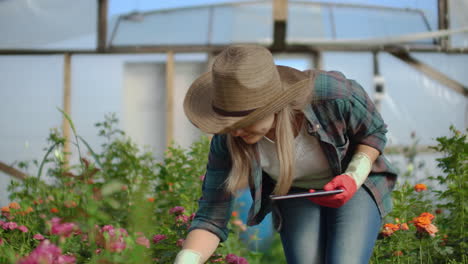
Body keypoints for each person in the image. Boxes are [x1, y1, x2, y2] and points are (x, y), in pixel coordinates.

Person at [175, 44, 398, 264]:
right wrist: (187, 259)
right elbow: (211, 215)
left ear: (273, 105)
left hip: (352, 183)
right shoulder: (228, 139)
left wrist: (354, 175)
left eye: (244, 122)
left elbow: (373, 132)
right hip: (295, 191)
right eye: (227, 123)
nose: (234, 131)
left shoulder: (330, 95)